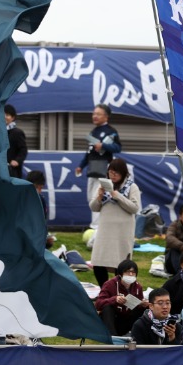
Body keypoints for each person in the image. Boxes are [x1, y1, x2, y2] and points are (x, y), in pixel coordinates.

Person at [89, 158, 141, 286]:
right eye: (110, 172)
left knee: (121, 264)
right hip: (105, 231)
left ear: (123, 173)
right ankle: (104, 289)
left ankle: (119, 290)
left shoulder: (131, 186)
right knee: (98, 261)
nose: (113, 176)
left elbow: (134, 208)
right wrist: (100, 196)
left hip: (122, 232)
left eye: (116, 173)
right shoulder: (103, 186)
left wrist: (117, 196)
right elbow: (94, 207)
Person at [75, 104, 121, 229]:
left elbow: (118, 148)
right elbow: (89, 152)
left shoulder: (111, 131)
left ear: (106, 116)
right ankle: (96, 225)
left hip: (104, 168)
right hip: (92, 169)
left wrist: (104, 146)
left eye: (98, 114)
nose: (94, 116)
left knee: (99, 196)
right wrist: (81, 166)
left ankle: (96, 227)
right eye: (94, 113)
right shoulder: (93, 131)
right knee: (91, 197)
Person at [95, 259, 148, 336]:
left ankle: (135, 335)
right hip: (113, 319)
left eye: (133, 272)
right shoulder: (109, 284)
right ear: (120, 273)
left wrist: (142, 304)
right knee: (108, 307)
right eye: (127, 272)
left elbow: (138, 307)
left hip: (127, 319)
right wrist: (115, 299)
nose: (130, 274)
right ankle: (112, 337)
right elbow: (98, 304)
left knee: (144, 310)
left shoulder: (138, 287)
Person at [3, 104, 28, 179]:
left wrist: (17, 161)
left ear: (13, 117)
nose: (4, 117)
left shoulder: (17, 132)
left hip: (12, 170)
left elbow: (23, 149)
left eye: (7, 115)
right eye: (2, 115)